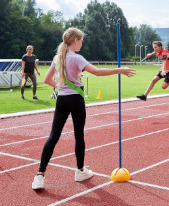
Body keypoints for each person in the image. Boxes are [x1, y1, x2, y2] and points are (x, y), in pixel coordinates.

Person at [32, 28, 136, 190]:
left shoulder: (57, 58)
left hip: (62, 100)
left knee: (53, 136)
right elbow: (97, 72)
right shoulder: (77, 58)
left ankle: (39, 175)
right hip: (76, 99)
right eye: (81, 41)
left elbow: (47, 80)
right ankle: (80, 171)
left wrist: (61, 87)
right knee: (78, 135)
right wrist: (120, 70)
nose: (81, 43)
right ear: (75, 41)